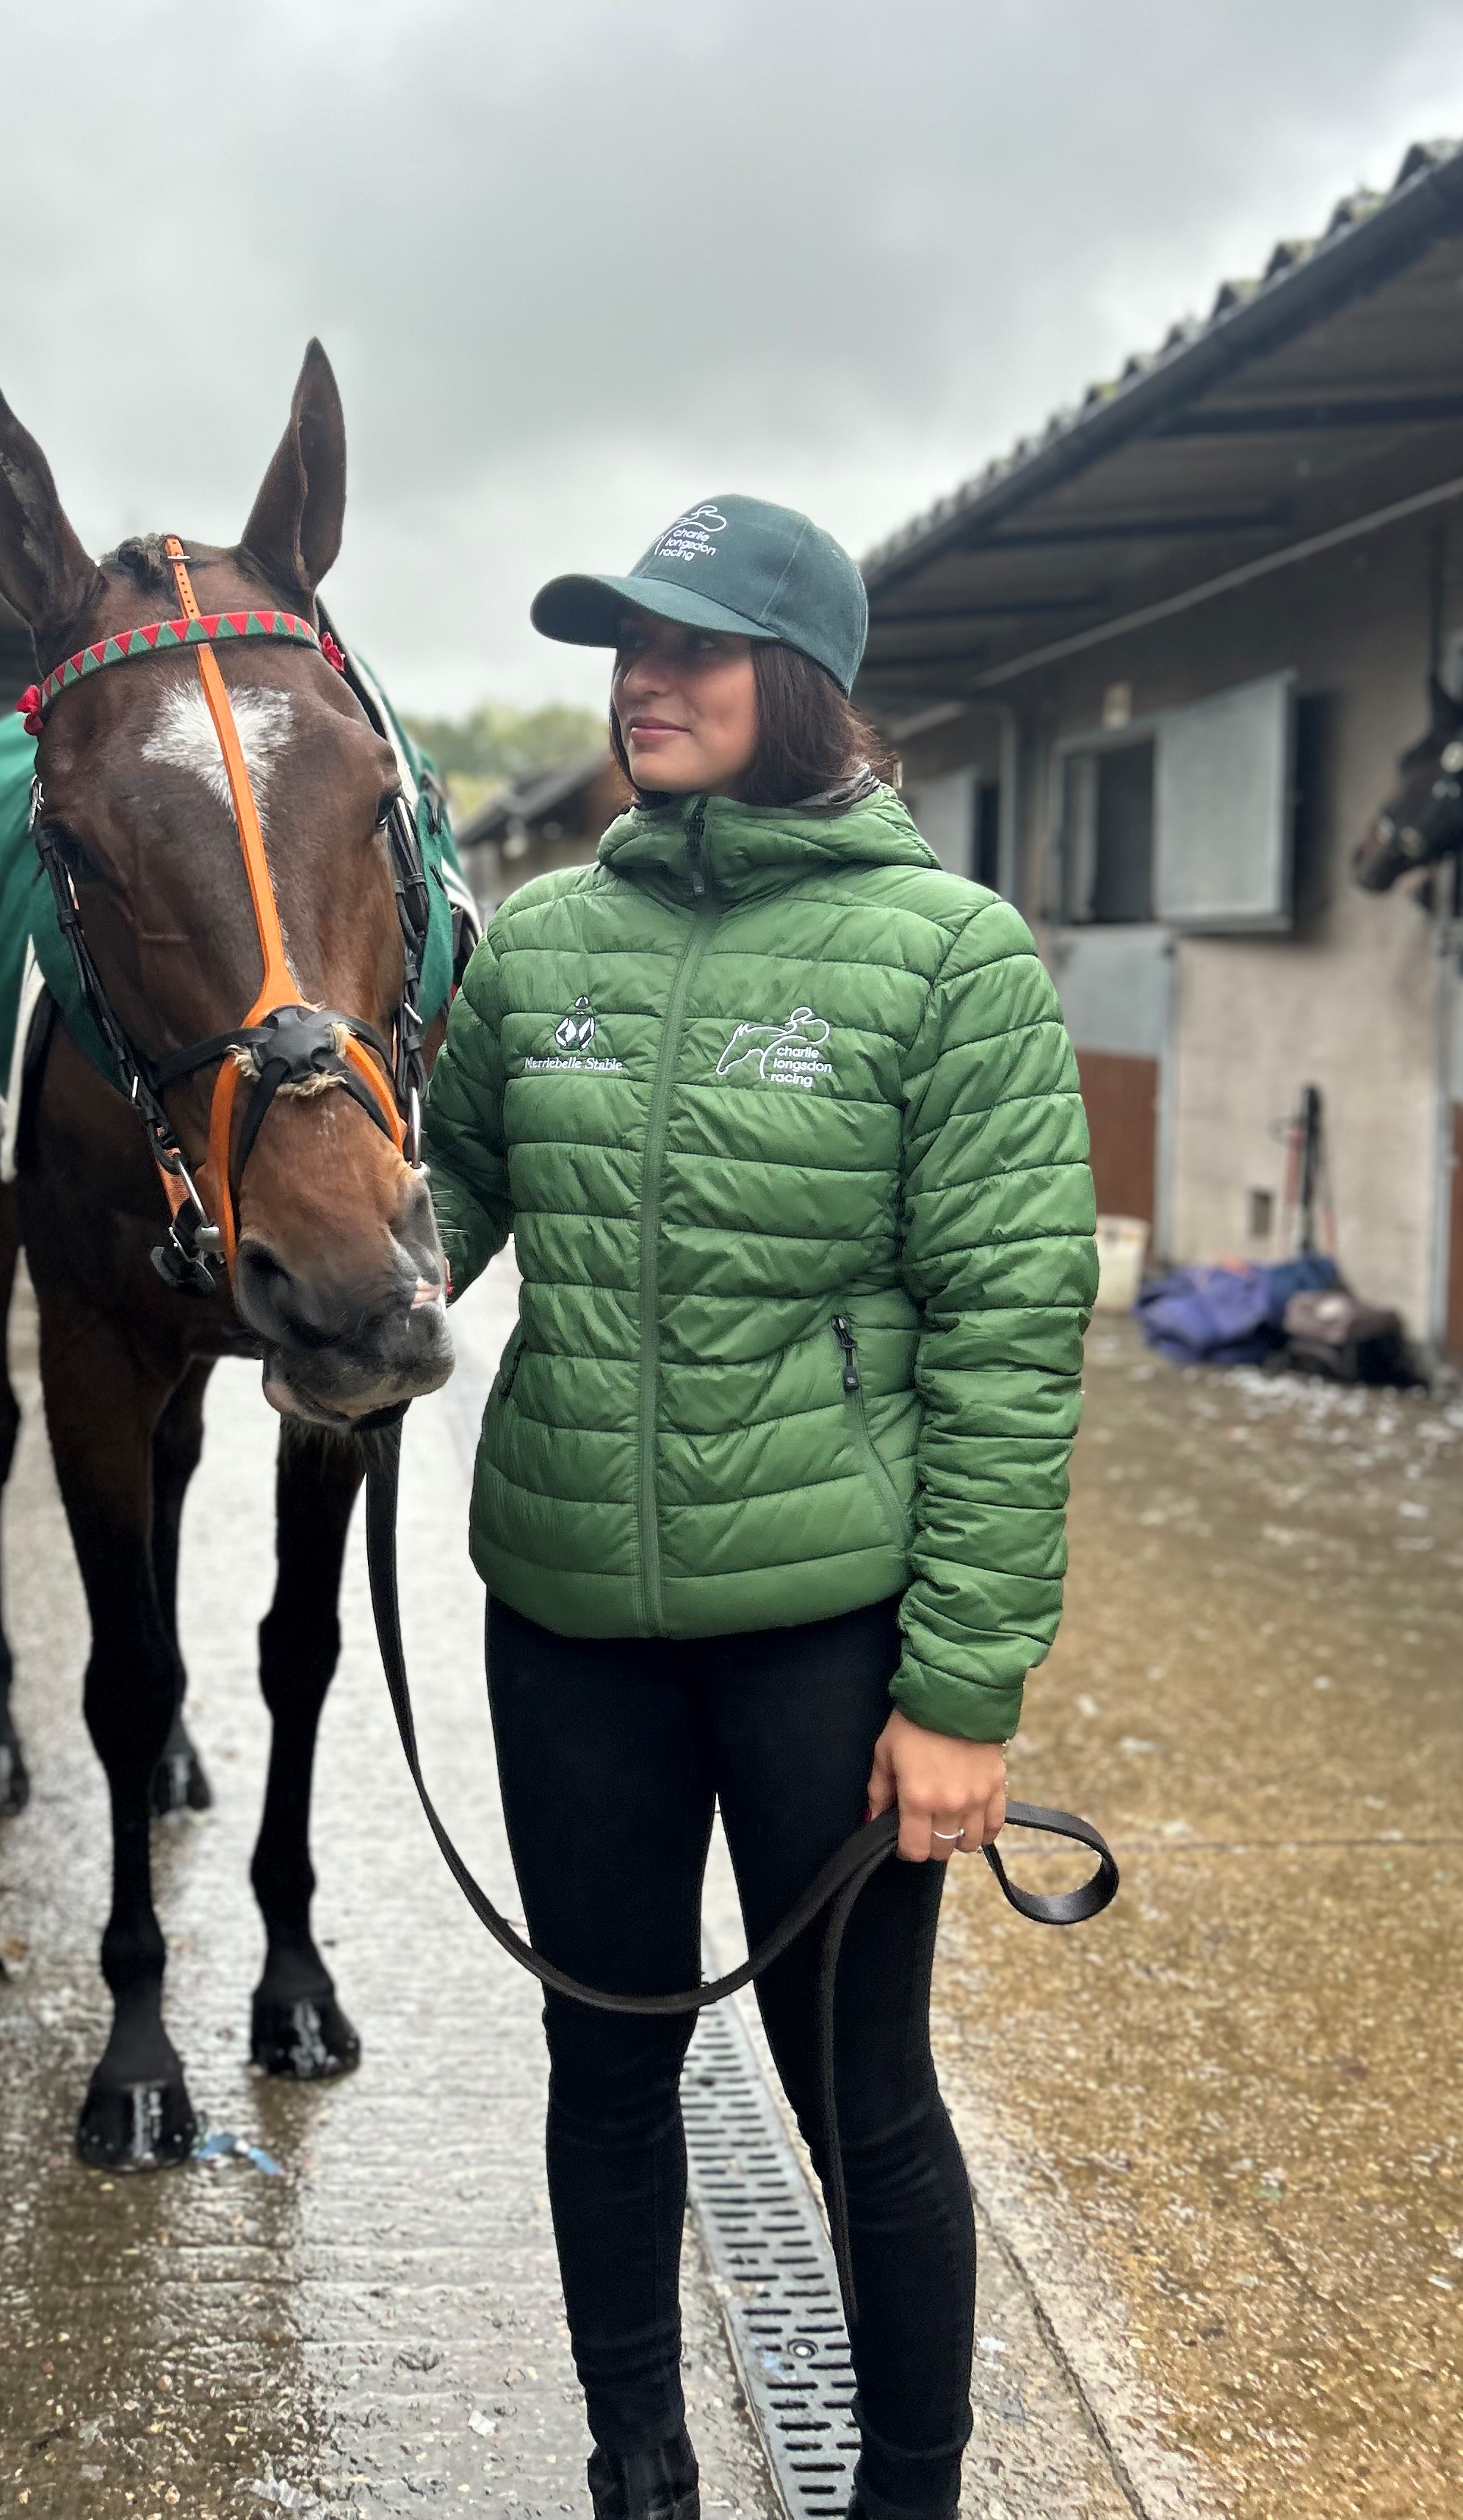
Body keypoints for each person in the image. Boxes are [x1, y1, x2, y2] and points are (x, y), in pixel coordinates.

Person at [422, 496, 1096, 2520]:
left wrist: (965, 1691)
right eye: (624, 643)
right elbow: (431, 1223)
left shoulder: (949, 960)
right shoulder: (537, 944)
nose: (645, 679)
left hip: (828, 1637)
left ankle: (907, 2496)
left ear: (798, 684)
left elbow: (1009, 1333)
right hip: (564, 1627)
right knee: (608, 2063)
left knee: (857, 2099)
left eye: (695, 647)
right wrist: (269, 1278)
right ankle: (640, 2460)